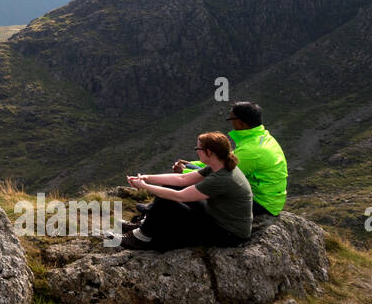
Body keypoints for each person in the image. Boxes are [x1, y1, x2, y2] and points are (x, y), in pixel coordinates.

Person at [133, 101, 288, 220]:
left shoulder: (252, 151)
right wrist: (191, 165)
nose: (230, 122)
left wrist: (186, 172)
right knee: (182, 180)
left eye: (231, 118)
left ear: (240, 123)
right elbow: (224, 160)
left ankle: (152, 218)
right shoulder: (260, 139)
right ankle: (154, 210)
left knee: (184, 188)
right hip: (267, 198)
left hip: (260, 203)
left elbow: (222, 172)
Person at [120, 132, 253, 251]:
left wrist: (145, 186)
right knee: (169, 187)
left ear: (209, 152)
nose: (196, 151)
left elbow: (180, 196)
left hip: (228, 233)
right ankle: (145, 226)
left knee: (167, 198)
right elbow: (182, 178)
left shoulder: (222, 178)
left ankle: (140, 238)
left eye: (198, 149)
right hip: (218, 217)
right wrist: (146, 178)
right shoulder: (218, 165)